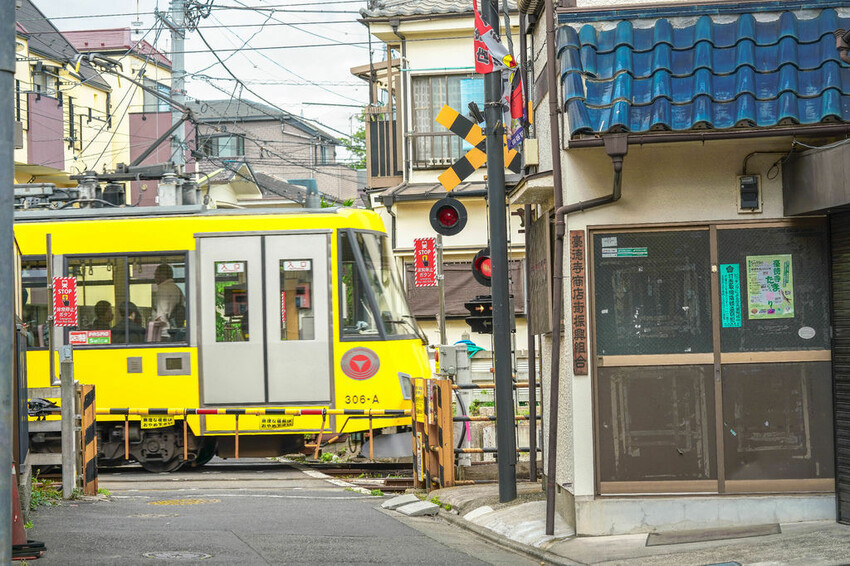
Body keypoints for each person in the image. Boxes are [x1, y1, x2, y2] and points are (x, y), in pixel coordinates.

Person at [151, 263, 185, 339]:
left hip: (164, 333)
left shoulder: (162, 289)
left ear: (163, 276)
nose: (154, 278)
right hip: (176, 331)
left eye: (156, 275)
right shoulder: (178, 289)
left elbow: (160, 317)